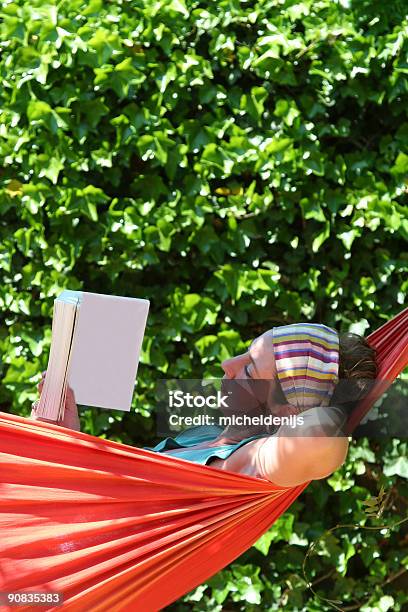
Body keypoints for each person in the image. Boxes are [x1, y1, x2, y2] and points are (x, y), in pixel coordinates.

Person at [31, 323, 377, 488]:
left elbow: (318, 436)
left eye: (249, 368)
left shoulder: (252, 460)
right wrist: (67, 440)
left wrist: (321, 403)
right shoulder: (206, 434)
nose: (228, 364)